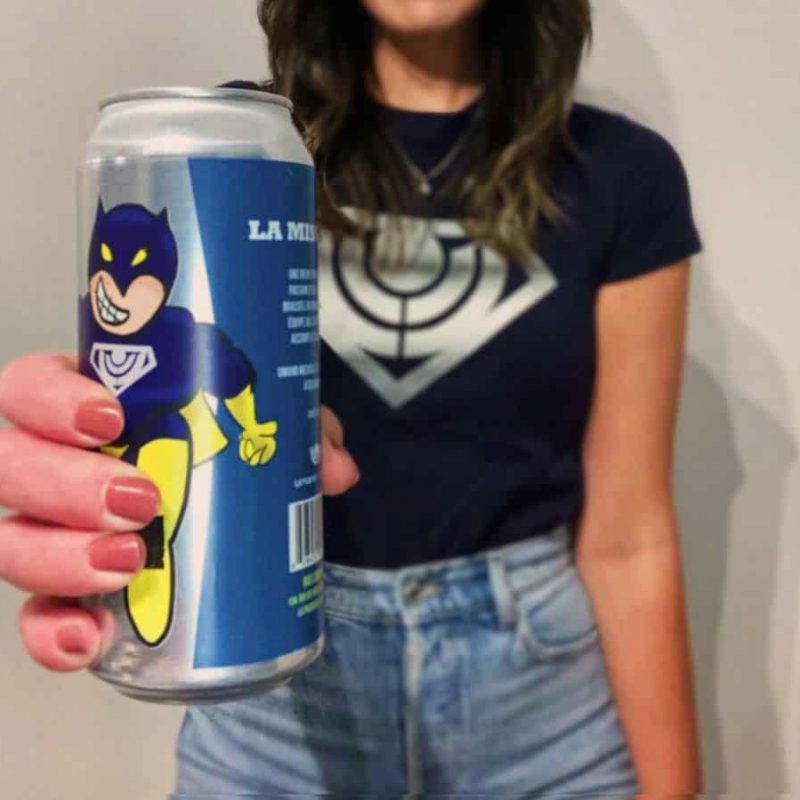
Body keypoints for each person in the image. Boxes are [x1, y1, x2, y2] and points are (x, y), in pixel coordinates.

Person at [0, 0, 704, 795]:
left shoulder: (620, 172)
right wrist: (104, 423)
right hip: (277, 704)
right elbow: (183, 351)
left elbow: (629, 538)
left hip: (541, 706)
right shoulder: (248, 147)